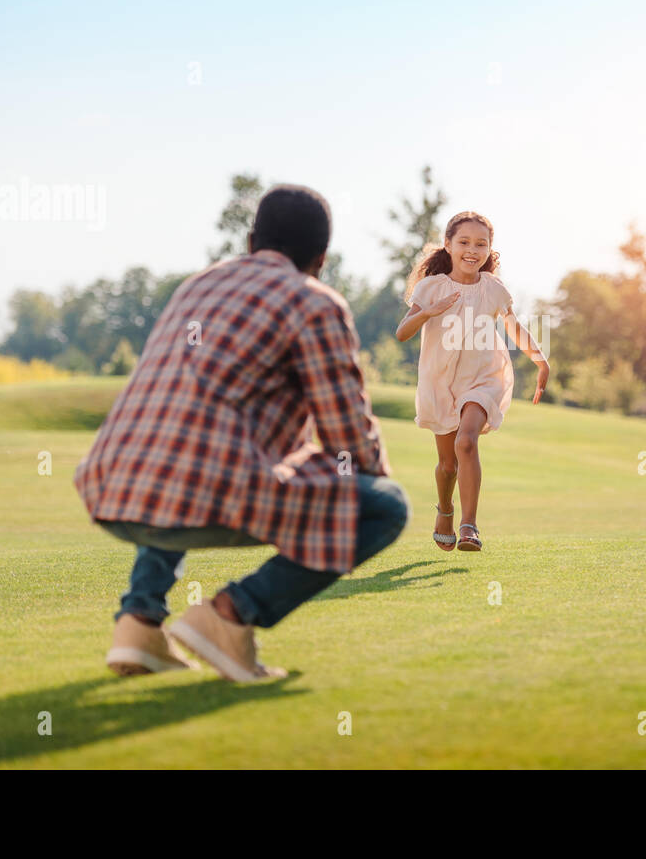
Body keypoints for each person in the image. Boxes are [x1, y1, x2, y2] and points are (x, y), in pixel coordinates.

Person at [74, 184, 408, 682]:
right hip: (200, 501)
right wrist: (369, 485)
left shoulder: (196, 285)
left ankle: (138, 625)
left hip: (111, 491)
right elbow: (347, 437)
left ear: (252, 241)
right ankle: (229, 614)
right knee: (387, 507)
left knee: (186, 450)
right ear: (321, 258)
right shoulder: (313, 302)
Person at [394, 210, 549, 552]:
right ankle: (445, 510)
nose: (472, 249)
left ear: (489, 250)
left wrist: (540, 359)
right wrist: (428, 312)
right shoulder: (431, 287)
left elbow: (513, 327)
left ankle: (470, 526)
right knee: (447, 464)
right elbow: (402, 333)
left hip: (483, 377)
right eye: (464, 242)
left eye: (481, 244)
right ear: (448, 245)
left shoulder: (493, 289)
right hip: (440, 382)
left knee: (467, 441)